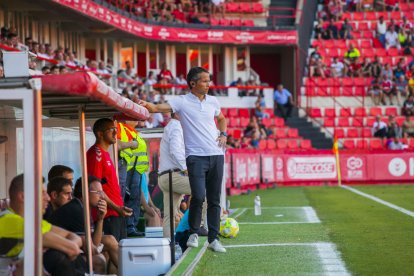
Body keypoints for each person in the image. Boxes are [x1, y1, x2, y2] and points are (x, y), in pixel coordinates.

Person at [139, 66, 228, 253]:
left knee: (214, 200)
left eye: (209, 80)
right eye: (204, 81)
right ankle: (193, 233)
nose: (208, 84)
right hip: (195, 157)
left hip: (217, 154)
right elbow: (157, 108)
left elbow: (221, 118)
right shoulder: (182, 101)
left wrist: (224, 134)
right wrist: (148, 105)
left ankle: (214, 238)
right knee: (199, 195)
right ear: (193, 83)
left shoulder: (213, 101)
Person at [0, 174, 85, 276]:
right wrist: (68, 247)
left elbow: (75, 238)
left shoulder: (31, 222)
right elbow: (72, 249)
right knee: (55, 256)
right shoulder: (9, 220)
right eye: (42, 193)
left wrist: (69, 246)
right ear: (23, 197)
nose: (48, 198)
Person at [49, 176, 119, 274]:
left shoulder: (83, 207)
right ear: (85, 193)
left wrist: (100, 219)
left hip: (71, 249)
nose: (102, 196)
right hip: (57, 255)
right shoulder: (76, 209)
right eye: (98, 192)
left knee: (109, 240)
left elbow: (94, 243)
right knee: (99, 260)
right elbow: (92, 247)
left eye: (102, 193)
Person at [158, 112, 208, 238]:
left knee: (170, 215)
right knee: (203, 192)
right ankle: (198, 226)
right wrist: (186, 168)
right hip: (172, 176)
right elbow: (175, 150)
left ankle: (167, 246)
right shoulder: (176, 126)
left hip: (165, 176)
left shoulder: (171, 126)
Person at [87, 118, 133, 241]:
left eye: (116, 130)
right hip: (108, 214)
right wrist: (116, 208)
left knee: (120, 253)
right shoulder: (96, 153)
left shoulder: (105, 153)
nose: (115, 133)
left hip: (117, 212)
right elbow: (96, 190)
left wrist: (119, 208)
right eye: (111, 130)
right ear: (99, 134)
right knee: (112, 254)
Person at [117, 120, 149, 237]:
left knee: (134, 199)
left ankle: (132, 226)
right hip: (128, 169)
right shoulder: (121, 127)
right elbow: (119, 145)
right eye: (132, 117)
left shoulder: (133, 131)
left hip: (136, 170)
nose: (136, 119)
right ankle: (128, 227)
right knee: (129, 198)